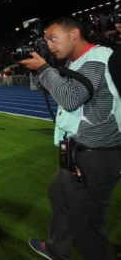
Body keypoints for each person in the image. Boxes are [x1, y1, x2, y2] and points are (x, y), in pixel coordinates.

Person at [18, 17, 121, 260]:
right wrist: (42, 70)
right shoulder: (76, 62)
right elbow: (54, 90)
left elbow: (72, 99)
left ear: (75, 33)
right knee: (59, 195)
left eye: (53, 38)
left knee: (87, 224)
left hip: (96, 152)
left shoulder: (97, 57)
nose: (49, 45)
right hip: (76, 150)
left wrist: (44, 68)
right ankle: (57, 248)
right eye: (46, 41)